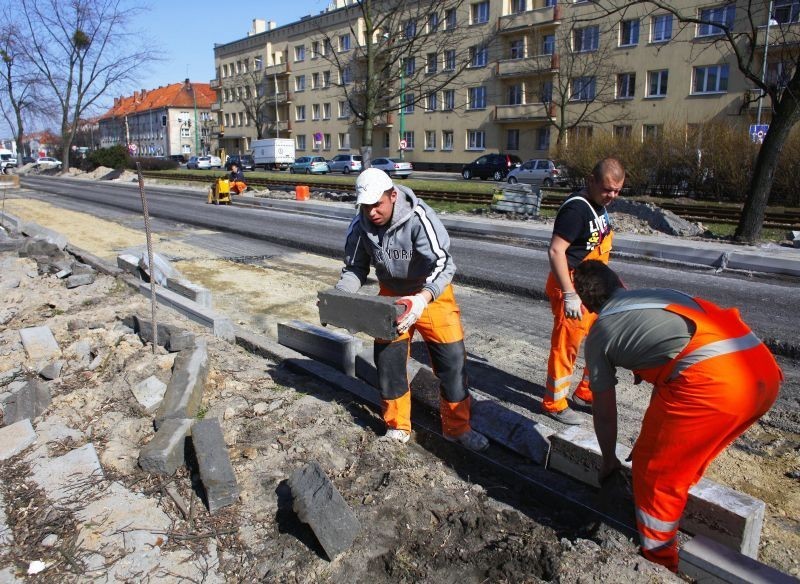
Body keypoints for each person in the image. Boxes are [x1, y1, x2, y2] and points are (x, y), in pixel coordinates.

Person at [572, 260, 782, 572]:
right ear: (621, 283)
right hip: (762, 374)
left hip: (718, 385)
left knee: (657, 473)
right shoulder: (656, 297)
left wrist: (608, 461)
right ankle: (672, 503)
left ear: (588, 306)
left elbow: (604, 412)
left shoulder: (601, 334)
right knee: (671, 456)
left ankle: (659, 560)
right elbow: (675, 369)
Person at [335, 167, 489, 452]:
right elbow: (355, 268)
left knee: (452, 362)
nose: (371, 213)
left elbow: (444, 265)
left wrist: (422, 298)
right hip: (392, 296)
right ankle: (397, 426)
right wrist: (340, 298)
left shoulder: (419, 218)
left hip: (430, 295)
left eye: (376, 205)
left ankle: (458, 428)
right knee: (389, 363)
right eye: (365, 207)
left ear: (393, 196)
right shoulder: (360, 226)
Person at [542, 157, 625, 425]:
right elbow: (556, 251)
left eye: (617, 190)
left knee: (602, 341)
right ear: (591, 180)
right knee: (567, 346)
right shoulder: (576, 211)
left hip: (594, 286)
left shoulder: (599, 206)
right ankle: (554, 403)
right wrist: (569, 294)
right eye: (607, 189)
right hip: (574, 287)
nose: (611, 195)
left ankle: (586, 393)